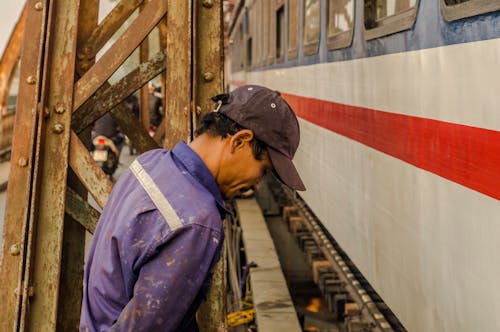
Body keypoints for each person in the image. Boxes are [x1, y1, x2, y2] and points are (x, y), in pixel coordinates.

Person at [79, 85, 306, 331]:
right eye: (263, 169)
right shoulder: (197, 220)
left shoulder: (148, 163)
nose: (258, 184)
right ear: (240, 141)